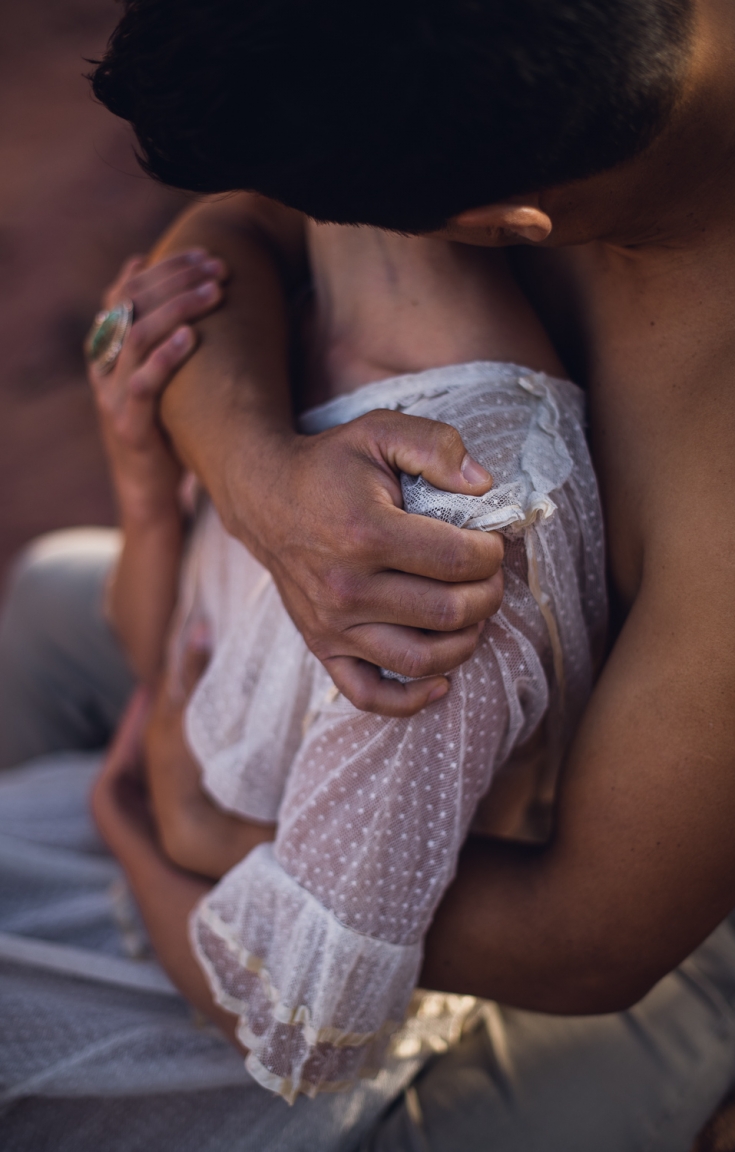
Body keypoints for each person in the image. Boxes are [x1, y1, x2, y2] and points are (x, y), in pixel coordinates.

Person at [3, 0, 735, 1146]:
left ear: (499, 227)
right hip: (315, 711)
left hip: (648, 905)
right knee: (52, 593)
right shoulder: (480, 60)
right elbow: (225, 234)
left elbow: (594, 938)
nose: (326, 232)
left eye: (340, 219)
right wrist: (263, 481)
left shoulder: (732, 466)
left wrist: (199, 830)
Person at [91, 219, 604, 1103]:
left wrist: (146, 828)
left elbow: (302, 1028)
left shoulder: (442, 532)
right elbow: (160, 660)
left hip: (252, 995)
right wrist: (143, 490)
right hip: (176, 867)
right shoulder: (260, 340)